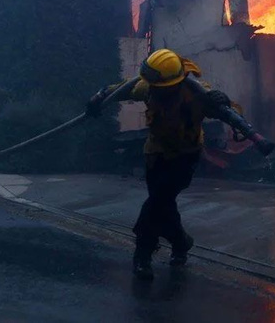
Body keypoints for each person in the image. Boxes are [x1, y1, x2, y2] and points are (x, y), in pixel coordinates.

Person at [85, 48, 232, 280]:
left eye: (159, 88)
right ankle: (180, 242)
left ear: (172, 84)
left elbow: (224, 111)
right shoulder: (150, 87)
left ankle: (142, 255)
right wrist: (101, 97)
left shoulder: (198, 93)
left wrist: (222, 101)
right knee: (163, 204)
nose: (153, 91)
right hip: (156, 154)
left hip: (185, 157)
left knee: (156, 203)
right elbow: (124, 89)